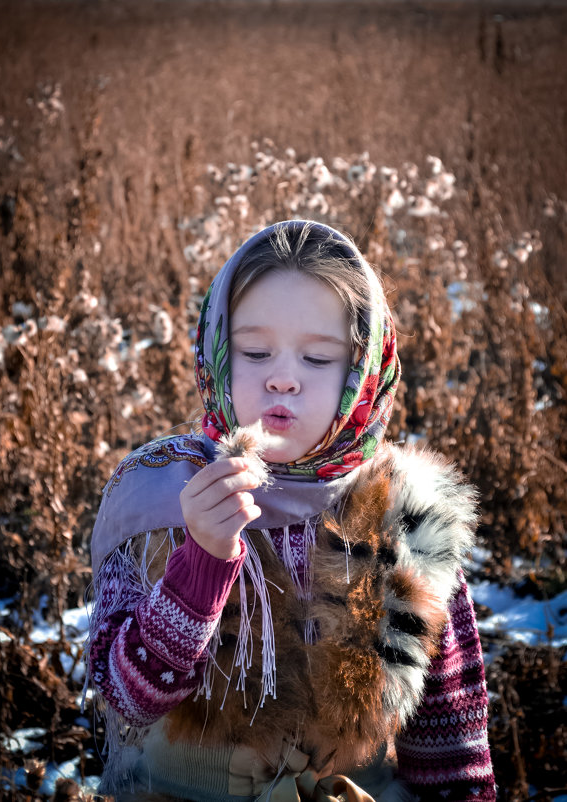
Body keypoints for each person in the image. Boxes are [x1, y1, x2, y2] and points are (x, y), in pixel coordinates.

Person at [86, 220, 496, 802]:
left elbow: (450, 744)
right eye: (255, 352)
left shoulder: (405, 517)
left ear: (362, 372)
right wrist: (200, 562)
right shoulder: (158, 498)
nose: (283, 378)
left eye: (318, 358)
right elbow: (127, 699)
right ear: (218, 353)